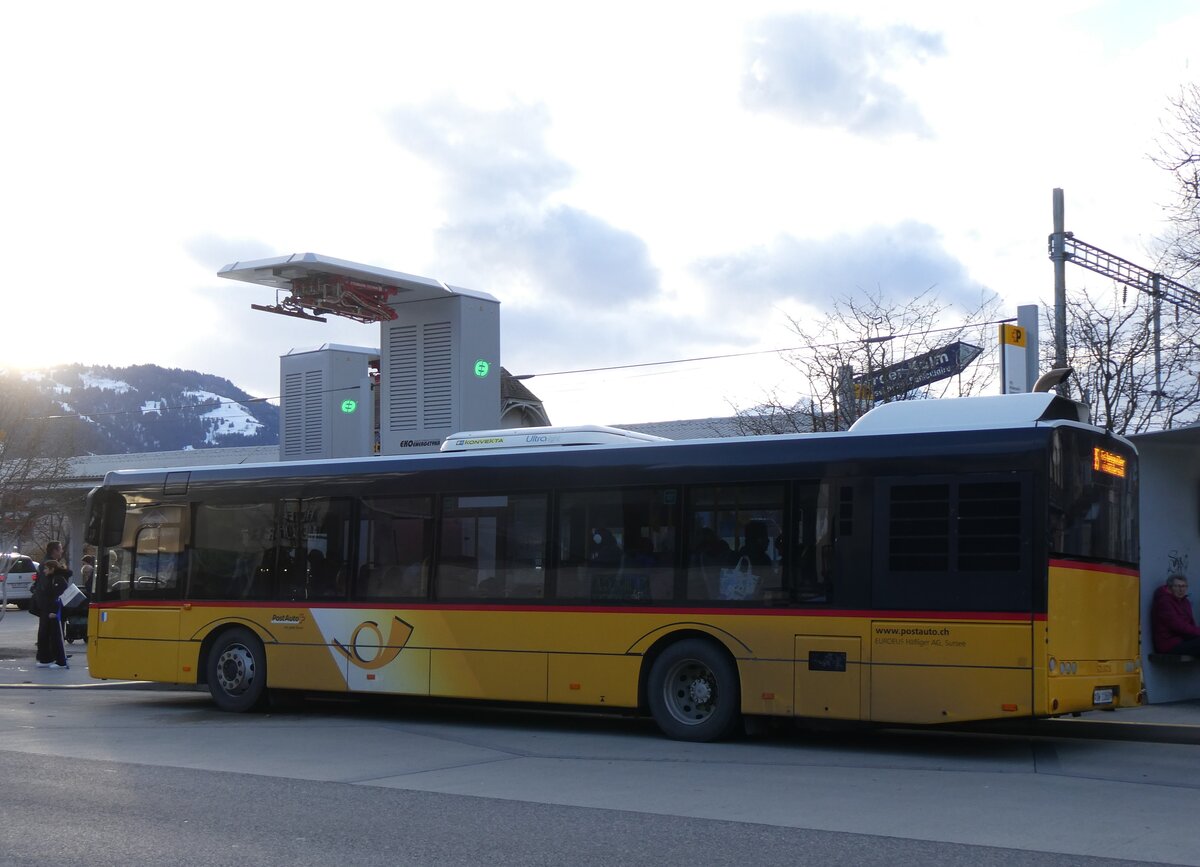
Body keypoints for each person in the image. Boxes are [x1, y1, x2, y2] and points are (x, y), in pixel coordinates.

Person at [34, 558, 70, 669]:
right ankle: (50, 659)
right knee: (49, 636)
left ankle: (61, 661)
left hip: (54, 613)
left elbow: (58, 597)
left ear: (52, 569)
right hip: (49, 611)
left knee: (56, 636)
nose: (44, 571)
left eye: (46, 569)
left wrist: (54, 611)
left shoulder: (58, 579)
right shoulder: (53, 578)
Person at [1151, 575, 1200, 656]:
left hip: (1183, 640)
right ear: (1170, 588)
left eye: (1184, 586)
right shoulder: (1164, 602)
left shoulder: (1185, 601)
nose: (1181, 589)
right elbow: (1178, 626)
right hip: (1169, 644)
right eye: (1177, 586)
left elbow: (1190, 624)